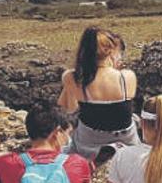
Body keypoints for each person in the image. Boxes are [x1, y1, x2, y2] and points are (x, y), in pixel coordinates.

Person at [58, 26, 139, 160]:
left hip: (89, 145)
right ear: (110, 50)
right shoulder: (127, 77)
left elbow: (70, 108)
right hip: (126, 143)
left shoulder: (72, 77)